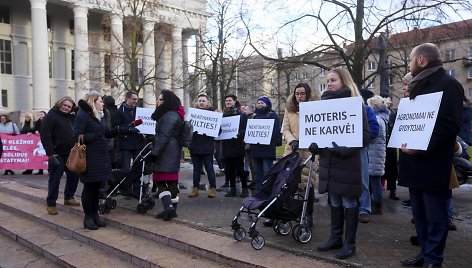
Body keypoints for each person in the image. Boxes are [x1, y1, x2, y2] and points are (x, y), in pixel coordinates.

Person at [398, 43, 464, 268]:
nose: (408, 63)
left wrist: (421, 147)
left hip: (433, 163)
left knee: (436, 216)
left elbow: (449, 125)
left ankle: (434, 260)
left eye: (410, 59)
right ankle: (424, 255)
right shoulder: (417, 86)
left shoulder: (449, 84)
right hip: (414, 164)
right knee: (420, 214)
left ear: (421, 60)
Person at [309, 68, 370, 259]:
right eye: (327, 80)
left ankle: (349, 243)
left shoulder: (355, 105)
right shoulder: (321, 105)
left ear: (344, 81)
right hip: (329, 163)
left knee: (348, 201)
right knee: (334, 200)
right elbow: (319, 132)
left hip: (347, 162)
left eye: (333, 80)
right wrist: (314, 146)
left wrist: (343, 150)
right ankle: (335, 238)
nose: (328, 83)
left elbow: (365, 135)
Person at [266, 82, 319, 227]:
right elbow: (286, 129)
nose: (300, 96)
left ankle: (308, 214)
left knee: (308, 184)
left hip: (309, 151)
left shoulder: (316, 109)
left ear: (307, 94)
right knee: (286, 183)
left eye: (302, 94)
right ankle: (283, 213)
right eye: (297, 94)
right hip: (292, 151)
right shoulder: (290, 110)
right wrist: (292, 140)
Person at [147, 90, 185, 221]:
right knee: (172, 180)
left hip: (166, 150)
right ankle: (172, 210)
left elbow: (164, 136)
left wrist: (154, 153)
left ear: (167, 101)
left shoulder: (169, 115)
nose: (158, 102)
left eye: (160, 99)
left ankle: (168, 208)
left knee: (159, 179)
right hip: (172, 149)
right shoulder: (174, 114)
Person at [41, 97, 81, 215]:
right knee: (55, 179)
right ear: (60, 104)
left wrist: (77, 109)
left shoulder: (72, 117)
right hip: (56, 154)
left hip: (71, 153)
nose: (66, 108)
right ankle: (51, 203)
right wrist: (50, 153)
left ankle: (69, 197)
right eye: (65, 105)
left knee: (74, 176)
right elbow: (45, 135)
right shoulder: (51, 116)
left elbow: (82, 115)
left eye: (69, 107)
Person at [188, 93, 218, 198]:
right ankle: (195, 189)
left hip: (207, 147)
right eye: (200, 101)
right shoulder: (193, 114)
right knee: (196, 170)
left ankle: (213, 189)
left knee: (209, 169)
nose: (201, 102)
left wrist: (209, 131)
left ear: (208, 103)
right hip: (195, 146)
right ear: (197, 102)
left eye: (203, 101)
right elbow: (188, 129)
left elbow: (218, 130)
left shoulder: (213, 115)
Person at [248, 96, 280, 191]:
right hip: (255, 148)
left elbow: (275, 131)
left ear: (267, 104)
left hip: (267, 149)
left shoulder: (272, 115)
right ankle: (259, 190)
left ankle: (268, 190)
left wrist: (265, 139)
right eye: (259, 103)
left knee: (267, 171)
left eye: (262, 103)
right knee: (257, 171)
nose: (260, 104)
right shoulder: (254, 116)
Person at [358, 89, 379, 223]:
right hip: (343, 150)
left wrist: (360, 139)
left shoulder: (366, 109)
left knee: (363, 180)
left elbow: (374, 129)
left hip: (360, 148)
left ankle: (364, 209)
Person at [222, 94, 249, 197]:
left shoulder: (241, 115)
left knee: (240, 169)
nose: (228, 102)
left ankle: (244, 189)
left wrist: (238, 134)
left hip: (237, 145)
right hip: (227, 145)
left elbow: (245, 129)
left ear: (234, 101)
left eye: (230, 100)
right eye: (226, 101)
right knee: (229, 169)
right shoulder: (224, 115)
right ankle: (233, 189)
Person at [366, 95, 388, 215]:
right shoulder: (383, 118)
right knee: (375, 181)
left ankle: (377, 205)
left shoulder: (376, 119)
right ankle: (375, 204)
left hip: (374, 154)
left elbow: (372, 134)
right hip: (377, 154)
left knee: (375, 182)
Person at [115, 91, 145, 169]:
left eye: (136, 99)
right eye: (133, 99)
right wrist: (130, 129)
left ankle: (136, 181)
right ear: (127, 98)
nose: (135, 101)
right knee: (126, 167)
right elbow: (117, 127)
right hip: (125, 144)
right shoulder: (119, 111)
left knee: (138, 167)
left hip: (137, 142)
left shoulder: (139, 111)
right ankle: (126, 181)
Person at [33, 111, 47, 175]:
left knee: (47, 154)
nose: (41, 115)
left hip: (46, 139)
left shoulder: (48, 121)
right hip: (39, 139)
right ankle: (40, 170)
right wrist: (35, 131)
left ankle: (49, 169)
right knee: (40, 154)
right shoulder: (37, 122)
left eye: (42, 114)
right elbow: (34, 129)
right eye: (40, 114)